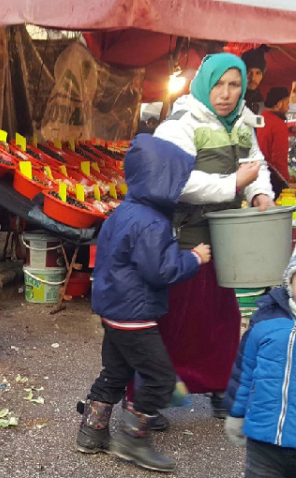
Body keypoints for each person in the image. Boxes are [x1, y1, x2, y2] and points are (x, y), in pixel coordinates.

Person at [76, 134, 210, 473]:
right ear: (162, 180)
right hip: (135, 315)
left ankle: (91, 432)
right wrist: (193, 258)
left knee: (116, 371)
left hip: (114, 310)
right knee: (159, 378)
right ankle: (134, 441)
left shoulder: (124, 211)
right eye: (177, 180)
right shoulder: (152, 222)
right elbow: (161, 271)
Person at [151, 53, 275, 419]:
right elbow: (175, 181)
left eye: (234, 84)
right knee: (175, 318)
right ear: (204, 83)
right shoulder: (180, 124)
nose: (226, 93)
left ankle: (220, 383)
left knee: (219, 318)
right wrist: (232, 184)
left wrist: (259, 192)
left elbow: (256, 163)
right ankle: (152, 396)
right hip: (183, 238)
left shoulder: (241, 123)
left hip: (225, 239)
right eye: (219, 84)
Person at [223, 254, 296, 478]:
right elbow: (244, 370)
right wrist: (236, 412)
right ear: (289, 280)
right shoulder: (266, 318)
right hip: (263, 438)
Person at [257, 86, 292, 198]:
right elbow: (279, 158)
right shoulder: (278, 125)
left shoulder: (260, 119)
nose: (288, 107)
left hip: (257, 175)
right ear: (279, 104)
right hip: (273, 178)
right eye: (287, 103)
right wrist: (285, 181)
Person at [242, 46, 267, 114]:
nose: (253, 78)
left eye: (258, 73)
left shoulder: (259, 100)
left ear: (262, 76)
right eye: (249, 72)